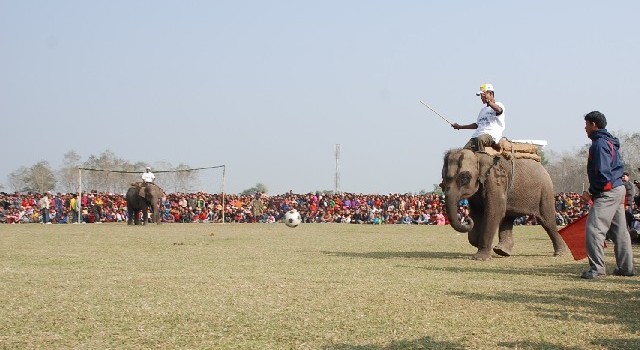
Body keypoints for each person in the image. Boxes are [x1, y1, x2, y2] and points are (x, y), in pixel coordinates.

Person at [580, 111, 635, 279]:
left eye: (587, 124)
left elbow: (603, 173)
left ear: (594, 125)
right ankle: (626, 268)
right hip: (619, 189)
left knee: (594, 229)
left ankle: (597, 270)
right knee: (620, 232)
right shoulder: (610, 141)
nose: (585, 128)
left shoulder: (598, 145)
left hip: (608, 191)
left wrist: (592, 193)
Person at [451, 83, 506, 152]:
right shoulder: (483, 110)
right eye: (481, 95)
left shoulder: (498, 105)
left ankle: (483, 160)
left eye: (484, 95)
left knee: (480, 139)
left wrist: (489, 102)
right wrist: (460, 127)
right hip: (476, 136)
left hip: (491, 135)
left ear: (491, 94)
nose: (481, 98)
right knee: (464, 152)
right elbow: (477, 125)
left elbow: (499, 110)